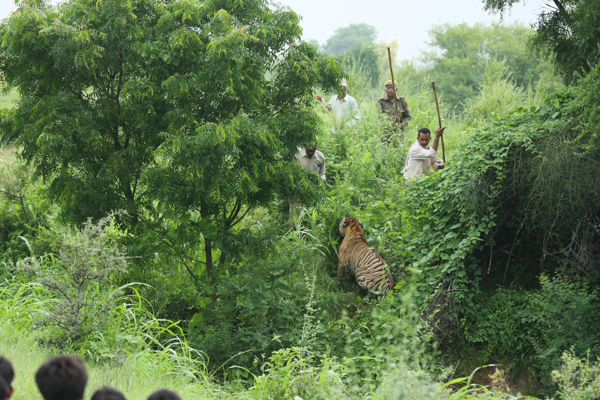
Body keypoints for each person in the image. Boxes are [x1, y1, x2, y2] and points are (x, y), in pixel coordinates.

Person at [288, 145, 326, 229]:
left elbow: (322, 173)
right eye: (309, 146)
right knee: (294, 216)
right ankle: (291, 239)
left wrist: (321, 181)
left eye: (313, 146)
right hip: (297, 191)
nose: (311, 148)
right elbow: (286, 165)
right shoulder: (296, 153)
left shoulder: (320, 156)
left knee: (308, 217)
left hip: (312, 193)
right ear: (305, 145)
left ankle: (305, 239)